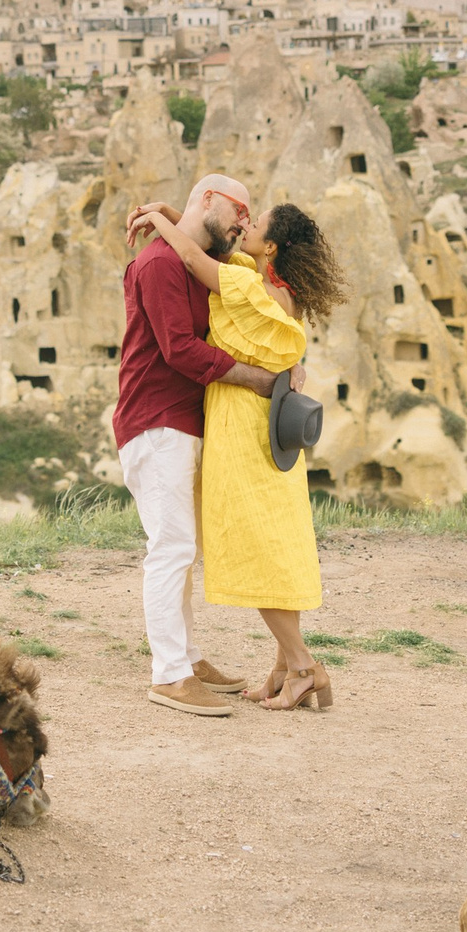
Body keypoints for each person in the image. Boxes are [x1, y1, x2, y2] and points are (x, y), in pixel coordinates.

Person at [130, 199, 349, 712]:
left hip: (241, 423)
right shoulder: (275, 289)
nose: (245, 226)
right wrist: (178, 211)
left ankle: (303, 667)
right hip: (269, 426)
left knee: (254, 545)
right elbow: (211, 251)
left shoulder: (248, 285)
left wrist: (159, 218)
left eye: (256, 225)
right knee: (275, 541)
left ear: (270, 246)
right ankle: (281, 667)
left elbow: (189, 257)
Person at [114, 173, 282, 717]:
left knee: (182, 551)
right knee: (171, 549)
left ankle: (186, 656)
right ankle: (169, 675)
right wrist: (257, 379)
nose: (244, 222)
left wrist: (166, 213)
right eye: (240, 209)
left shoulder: (185, 259)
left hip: (177, 421)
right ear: (207, 199)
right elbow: (180, 351)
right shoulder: (160, 263)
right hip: (156, 420)